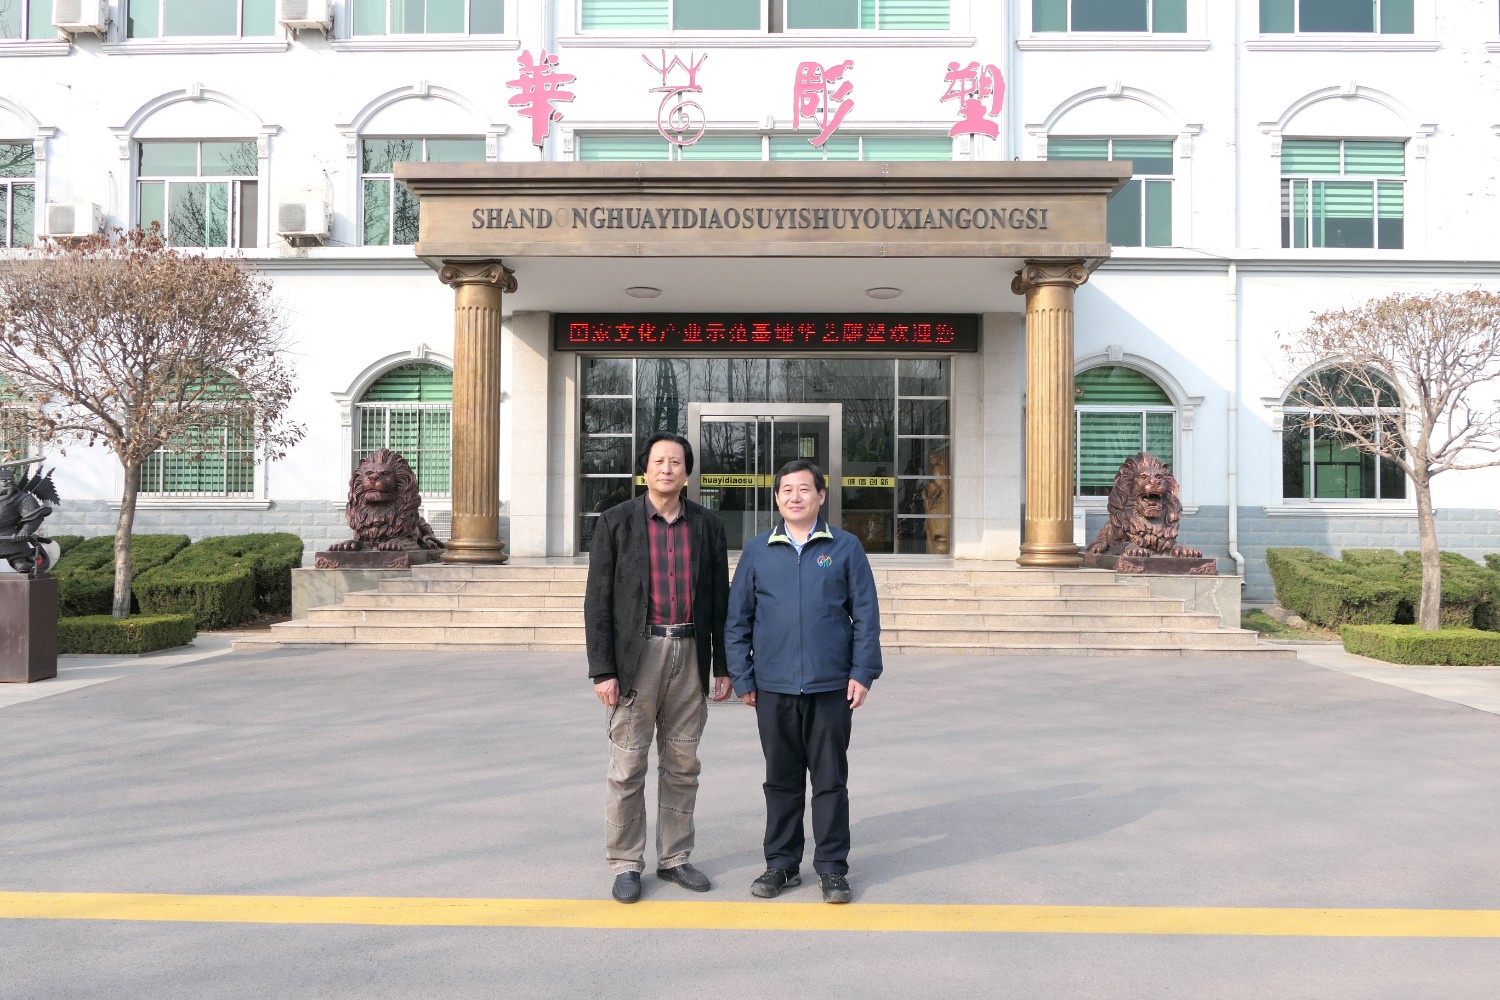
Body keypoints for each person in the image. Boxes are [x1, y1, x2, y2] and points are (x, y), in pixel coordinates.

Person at [725, 458, 883, 905]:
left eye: (804, 489)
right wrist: (742, 676)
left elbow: (865, 615)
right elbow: (737, 620)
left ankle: (832, 868)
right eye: (787, 490)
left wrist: (862, 672)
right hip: (773, 687)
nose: (795, 497)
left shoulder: (846, 547)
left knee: (830, 781)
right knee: (781, 780)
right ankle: (781, 863)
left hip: (830, 686)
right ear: (777, 498)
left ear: (821, 495)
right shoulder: (758, 550)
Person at [584, 431, 732, 904]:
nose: (667, 469)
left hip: (690, 652)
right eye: (659, 461)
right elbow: (597, 602)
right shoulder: (616, 522)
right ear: (644, 470)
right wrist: (603, 670)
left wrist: (724, 666)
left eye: (676, 462)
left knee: (683, 763)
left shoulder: (708, 526)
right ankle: (626, 862)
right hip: (637, 656)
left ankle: (675, 857)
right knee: (628, 764)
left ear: (687, 472)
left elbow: (720, 601)